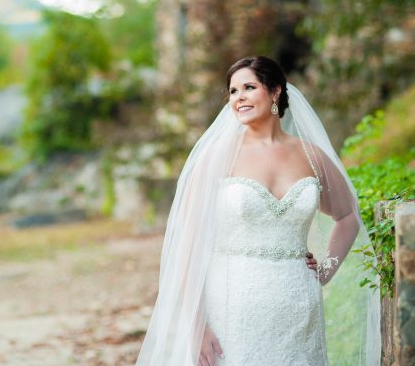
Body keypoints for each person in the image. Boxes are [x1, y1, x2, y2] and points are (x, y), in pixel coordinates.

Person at [136, 56, 381, 365]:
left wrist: (325, 271)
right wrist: (197, 326)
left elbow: (348, 217)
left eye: (249, 87)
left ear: (275, 91)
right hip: (232, 307)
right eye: (233, 91)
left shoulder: (310, 154)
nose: (239, 98)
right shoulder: (217, 156)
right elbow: (188, 243)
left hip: (299, 308)